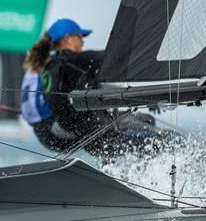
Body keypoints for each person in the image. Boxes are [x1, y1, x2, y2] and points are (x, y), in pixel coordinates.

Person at [27, 18, 174, 158]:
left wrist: (144, 98)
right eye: (79, 36)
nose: (82, 41)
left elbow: (93, 89)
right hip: (101, 133)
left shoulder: (49, 68)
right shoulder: (73, 62)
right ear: (67, 38)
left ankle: (133, 172)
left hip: (85, 133)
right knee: (169, 141)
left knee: (146, 120)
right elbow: (113, 58)